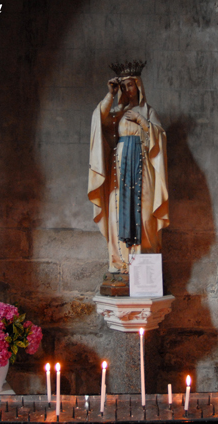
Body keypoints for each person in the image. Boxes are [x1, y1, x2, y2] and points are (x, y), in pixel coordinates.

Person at [88, 61, 169, 275]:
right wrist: (110, 95)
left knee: (144, 214)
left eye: (130, 84)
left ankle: (145, 264)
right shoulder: (117, 112)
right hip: (120, 170)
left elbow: (161, 137)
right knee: (117, 212)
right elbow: (99, 118)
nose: (127, 89)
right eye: (123, 85)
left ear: (139, 86)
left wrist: (143, 122)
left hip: (143, 170)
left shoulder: (148, 111)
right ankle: (120, 263)